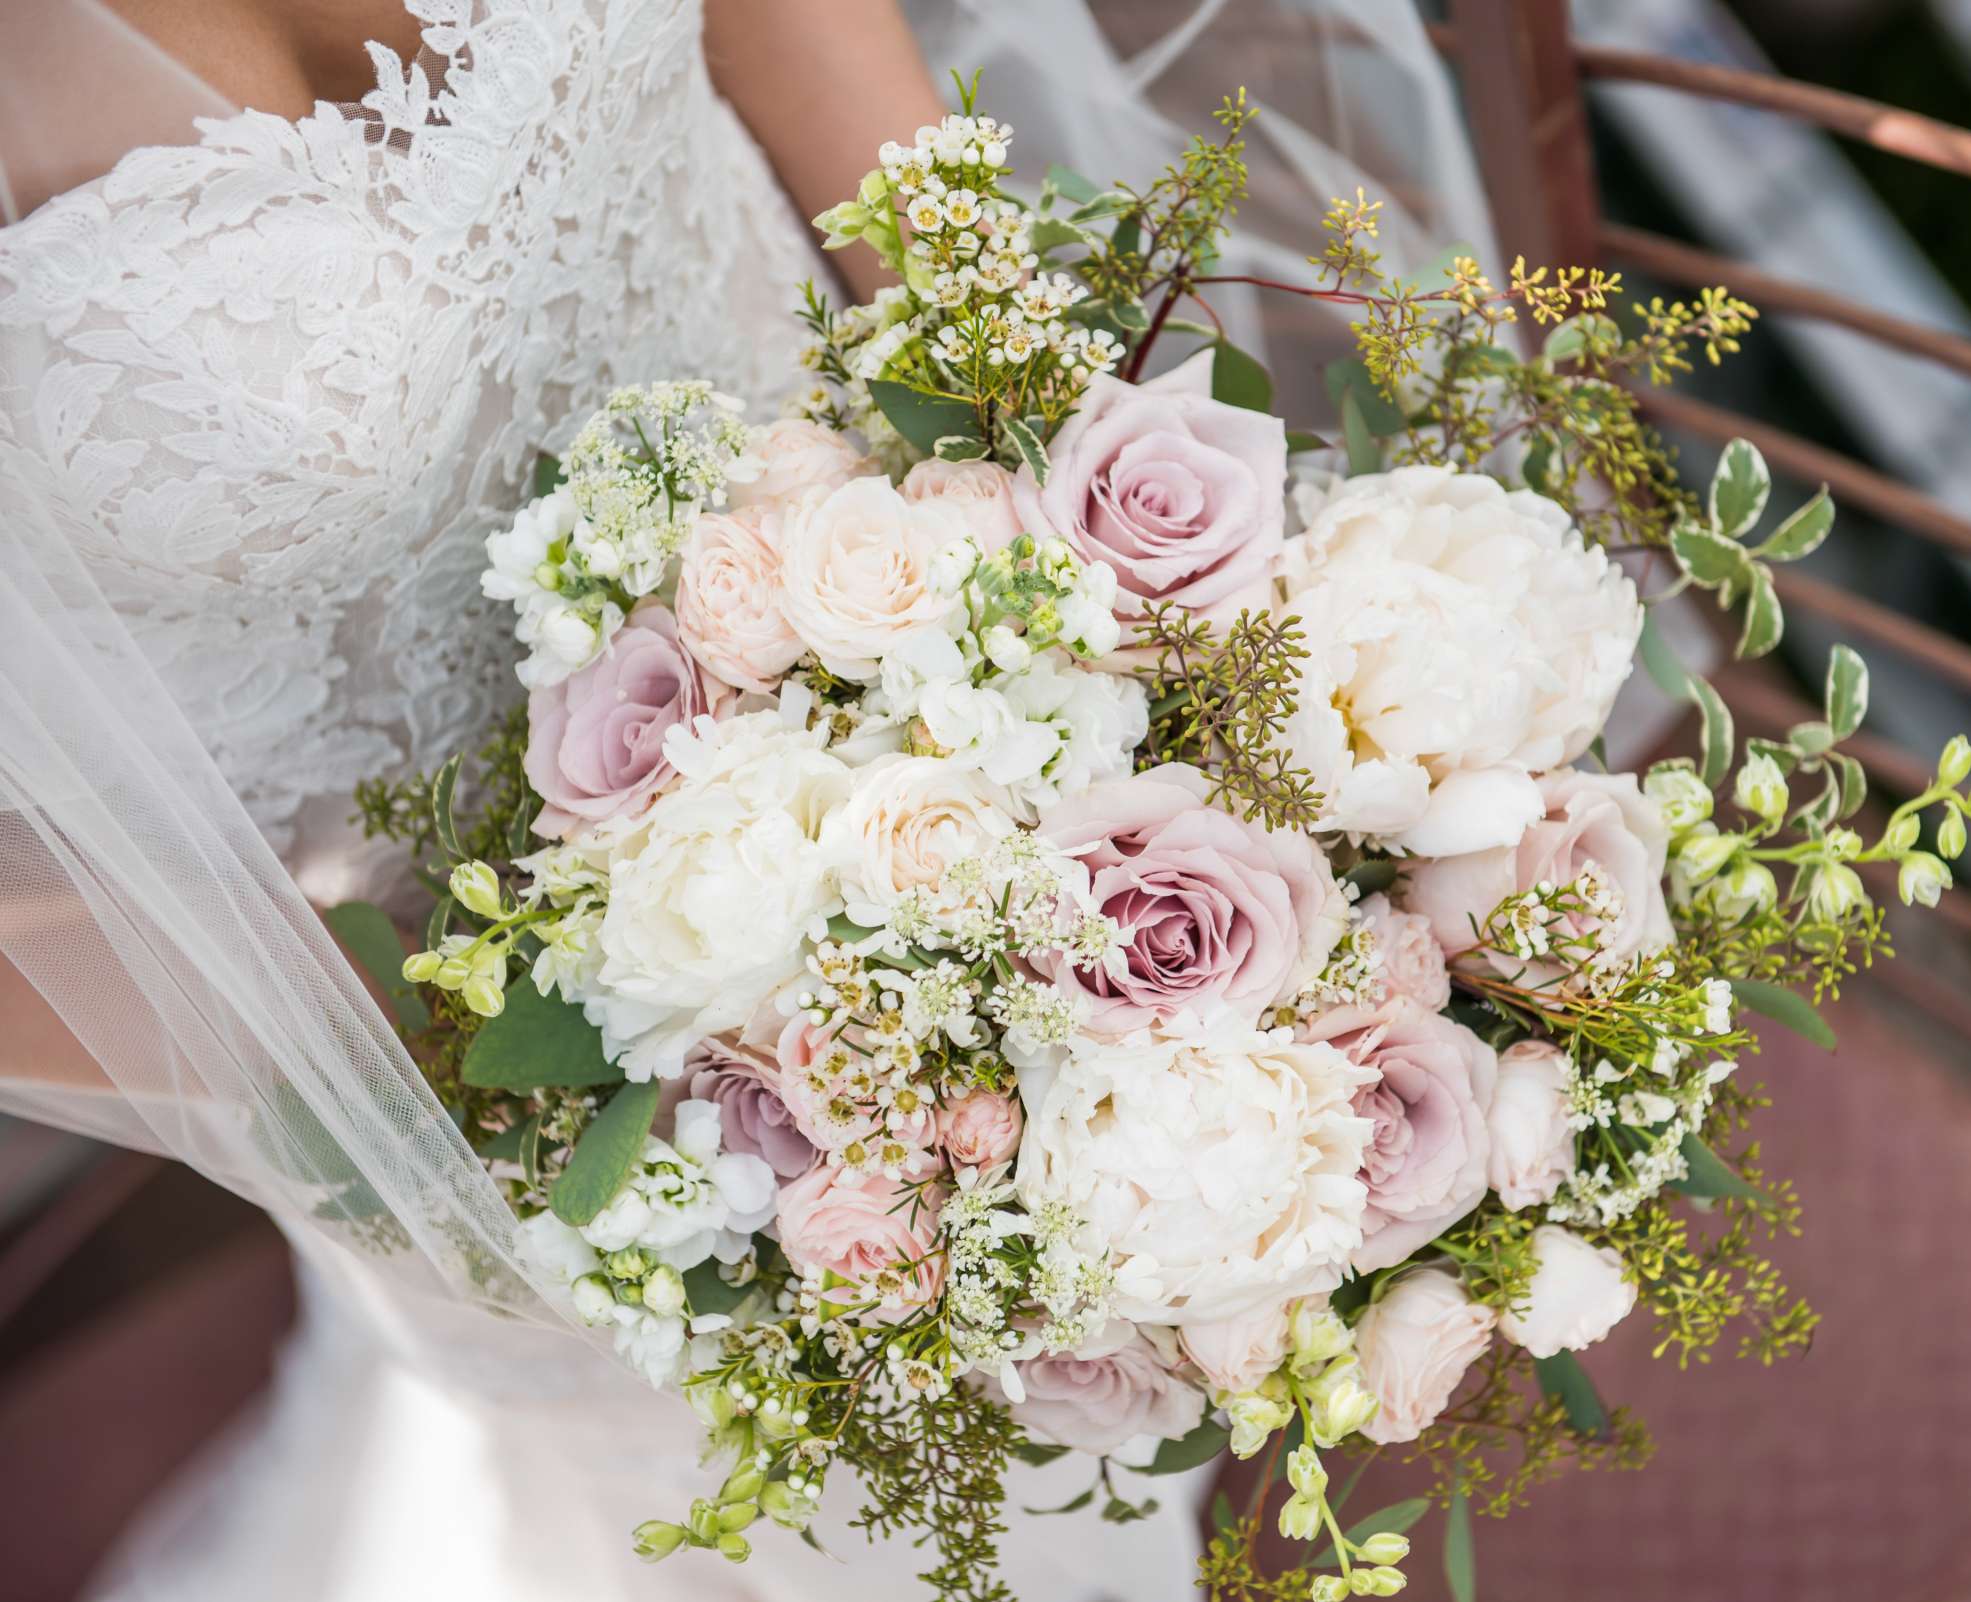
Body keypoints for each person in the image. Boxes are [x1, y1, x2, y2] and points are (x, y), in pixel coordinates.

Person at [0, 2, 1490, 1595]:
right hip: (498, 1064)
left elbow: (785, 28)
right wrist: (397, 1076)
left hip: (967, 650)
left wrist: (1097, 524)